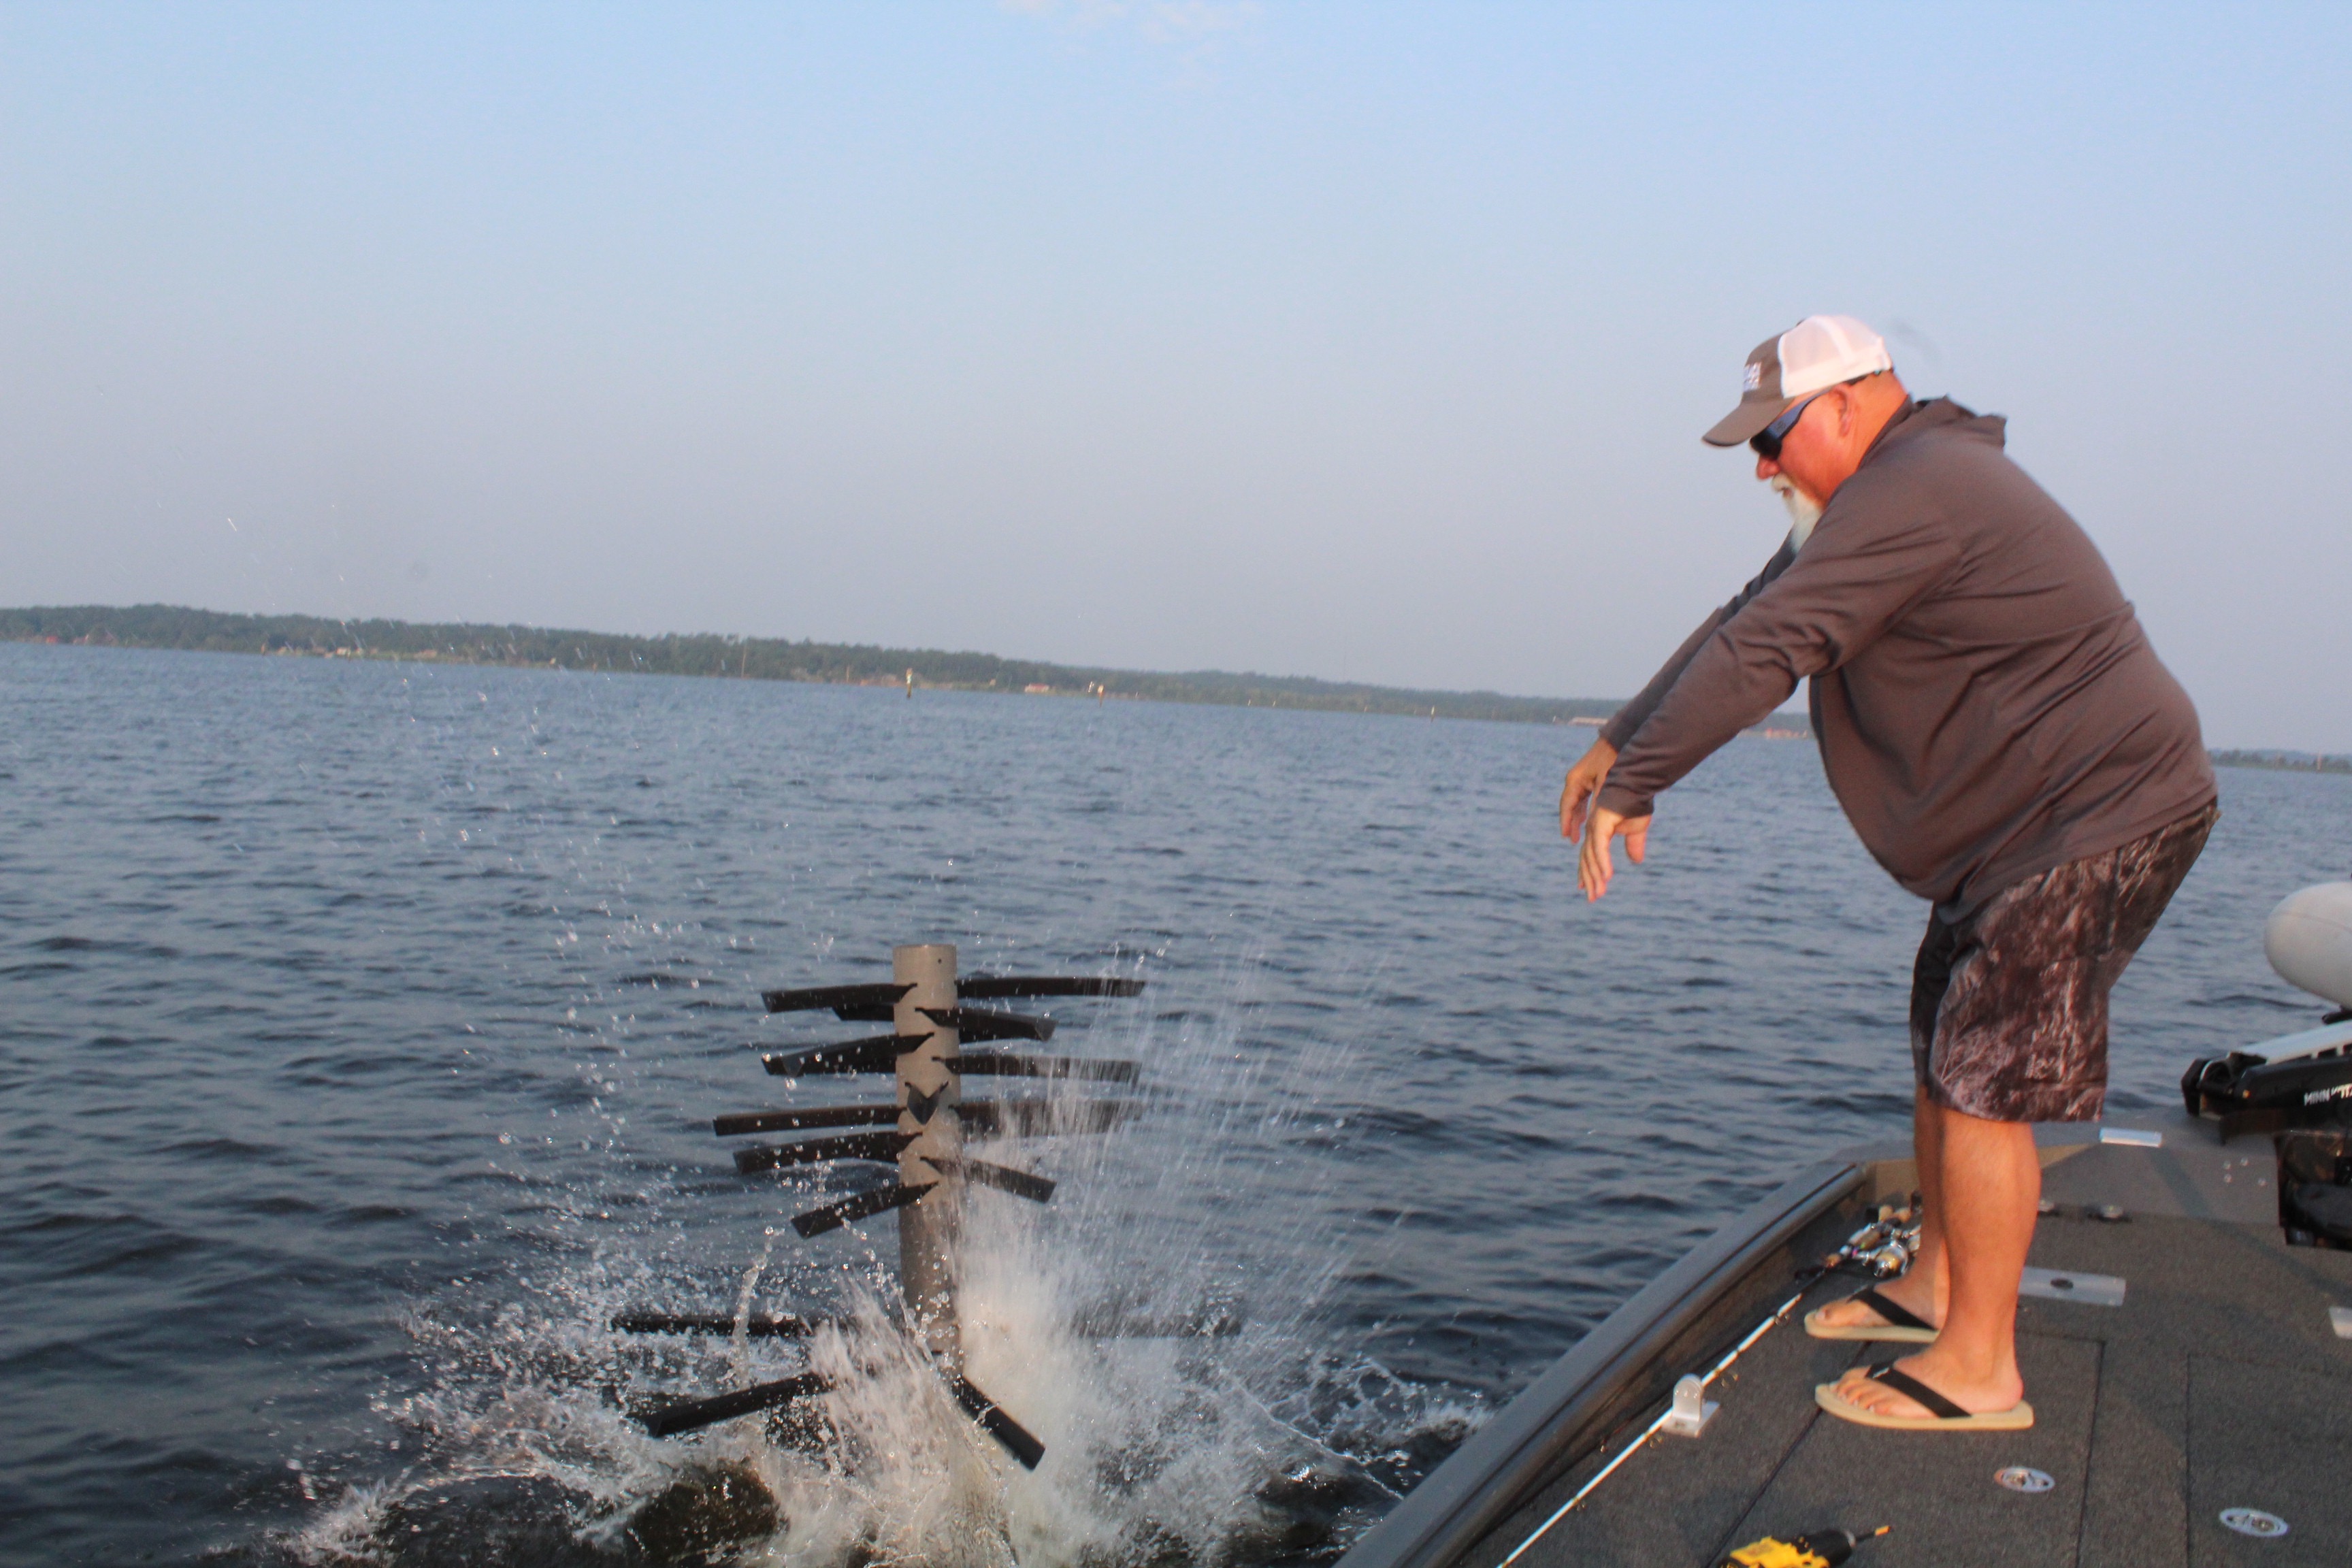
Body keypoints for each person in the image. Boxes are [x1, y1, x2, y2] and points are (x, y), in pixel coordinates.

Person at [1558, 316, 2215, 1432]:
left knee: (1988, 1074)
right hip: (2026, 828)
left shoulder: (1917, 490)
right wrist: (1624, 738)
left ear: (1846, 405)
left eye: (1771, 439)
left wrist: (1643, 779)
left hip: (2099, 811)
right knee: (1943, 1038)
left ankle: (1982, 1369)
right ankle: (1939, 1286)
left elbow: (1771, 652)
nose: (1762, 469)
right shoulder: (1882, 493)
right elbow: (1745, 618)